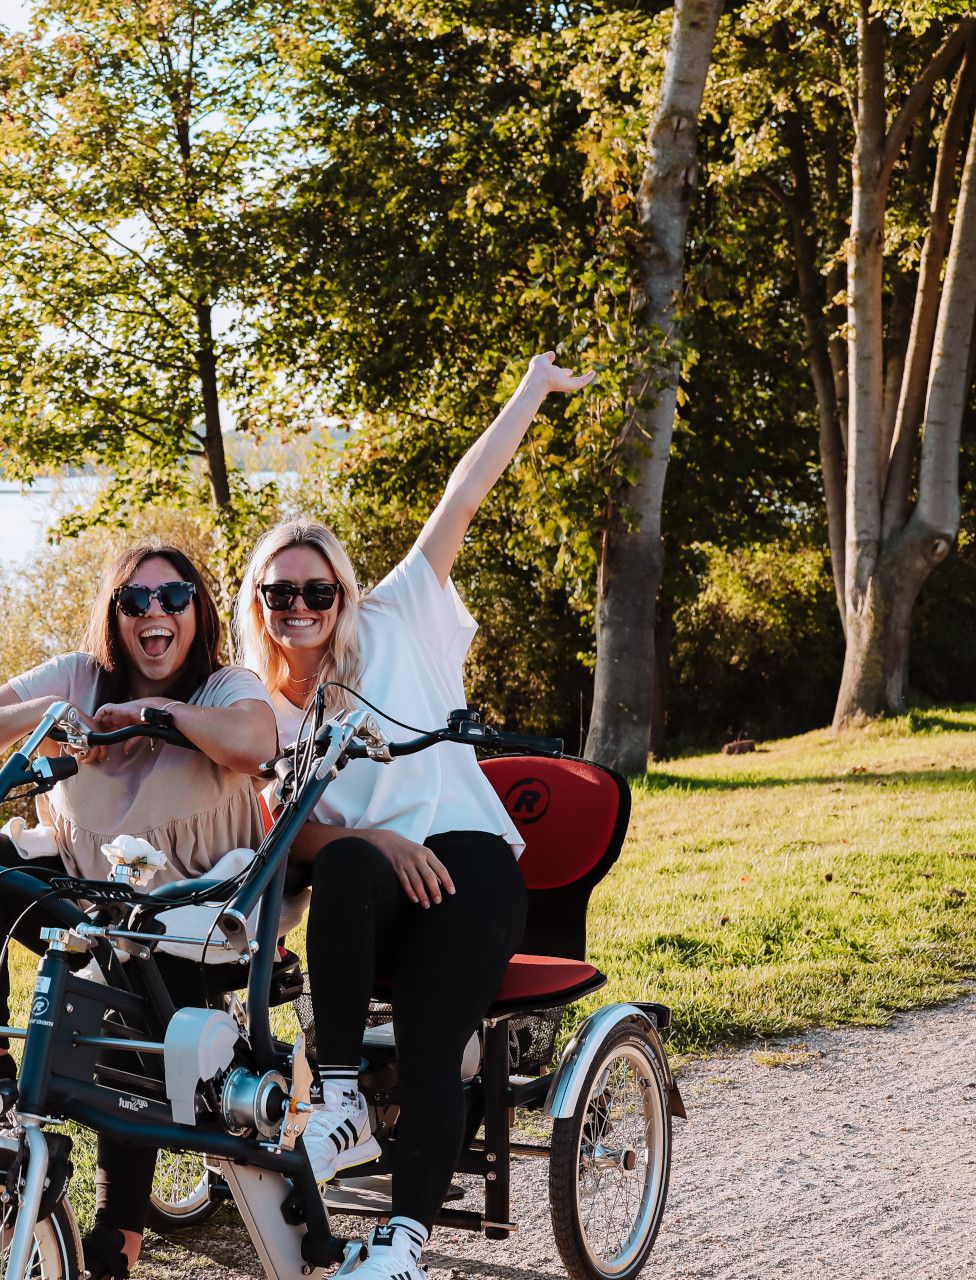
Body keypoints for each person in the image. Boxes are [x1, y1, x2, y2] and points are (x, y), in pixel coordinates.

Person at [233, 352, 594, 1280]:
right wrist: (376, 840)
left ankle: (402, 1246)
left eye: (318, 589)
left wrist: (530, 390)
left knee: (437, 1039)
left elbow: (464, 494)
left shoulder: (400, 617)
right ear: (260, 607)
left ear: (345, 594)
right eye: (281, 593)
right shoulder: (265, 714)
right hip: (375, 899)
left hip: (469, 870)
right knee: (348, 859)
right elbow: (291, 835)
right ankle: (343, 1099)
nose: (301, 605)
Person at [0, 539, 276, 1280]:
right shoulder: (79, 676)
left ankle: (119, 1230)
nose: (155, 612)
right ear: (115, 614)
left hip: (192, 923)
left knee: (129, 985)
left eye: (173, 597)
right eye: (135, 600)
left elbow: (257, 743)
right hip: (90, 895)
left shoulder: (222, 687)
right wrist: (48, 710)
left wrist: (155, 712)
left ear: (197, 608)